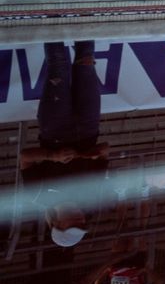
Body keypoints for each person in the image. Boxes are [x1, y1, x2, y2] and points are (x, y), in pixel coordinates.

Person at [22, 41, 109, 255]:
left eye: (72, 225)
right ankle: (86, 13)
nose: (79, 220)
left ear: (57, 224)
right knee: (86, 62)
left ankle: (50, 13)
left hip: (54, 128)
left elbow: (24, 158)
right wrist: (84, 154)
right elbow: (106, 150)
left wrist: (53, 155)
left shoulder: (40, 197)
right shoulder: (92, 197)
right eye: (81, 225)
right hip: (88, 126)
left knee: (58, 65)